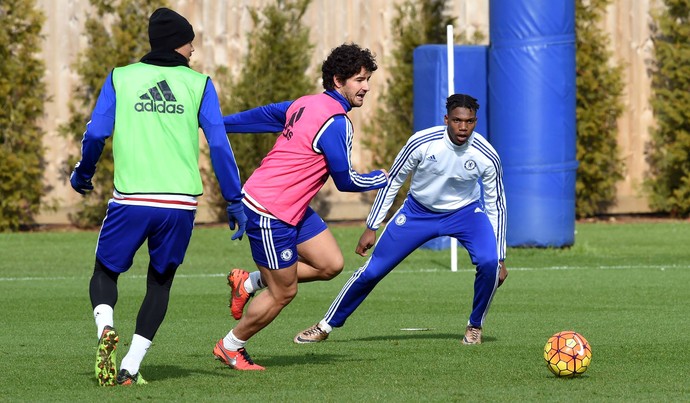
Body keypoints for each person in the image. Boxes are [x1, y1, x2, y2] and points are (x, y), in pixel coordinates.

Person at [69, 8, 246, 386]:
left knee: (105, 272)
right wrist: (233, 198)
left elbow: (96, 133)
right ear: (177, 44)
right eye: (190, 41)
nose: (194, 49)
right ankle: (131, 366)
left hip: (131, 200)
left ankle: (105, 328)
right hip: (180, 205)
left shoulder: (122, 77)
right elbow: (218, 143)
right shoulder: (199, 84)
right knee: (160, 283)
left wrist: (84, 172)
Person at [212, 43, 389, 370]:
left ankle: (248, 282)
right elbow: (346, 180)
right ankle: (231, 346)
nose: (366, 87)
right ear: (338, 80)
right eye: (359, 80)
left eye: (367, 80)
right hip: (269, 210)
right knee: (283, 292)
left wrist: (217, 123)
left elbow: (263, 116)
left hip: (289, 206)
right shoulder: (336, 122)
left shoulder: (305, 103)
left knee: (330, 264)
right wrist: (381, 178)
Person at [293, 93, 508, 346]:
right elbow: (393, 181)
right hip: (418, 212)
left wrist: (500, 256)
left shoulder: (486, 154)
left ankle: (475, 325)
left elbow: (496, 205)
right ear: (446, 119)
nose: (463, 127)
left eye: (470, 122)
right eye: (457, 121)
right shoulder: (422, 143)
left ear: (475, 122)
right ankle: (325, 325)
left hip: (465, 213)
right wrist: (372, 226)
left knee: (489, 262)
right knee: (372, 271)